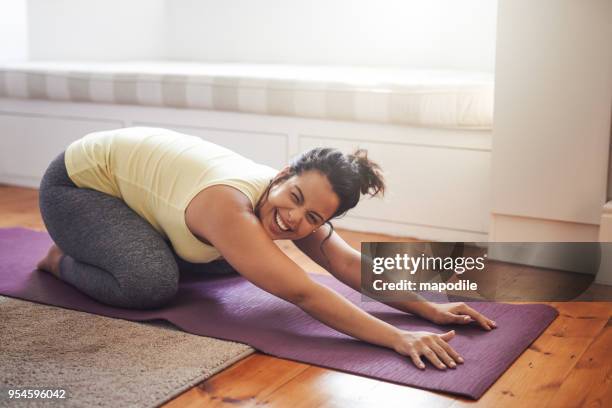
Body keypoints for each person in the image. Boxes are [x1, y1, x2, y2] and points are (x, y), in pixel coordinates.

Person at [36, 127, 496, 371]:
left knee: (244, 261)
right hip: (78, 187)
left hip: (147, 205)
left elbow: (345, 262)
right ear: (280, 175)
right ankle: (62, 259)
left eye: (314, 218)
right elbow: (303, 293)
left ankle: (138, 247)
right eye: (294, 198)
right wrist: (397, 338)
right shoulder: (227, 204)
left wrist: (427, 310)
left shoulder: (297, 205)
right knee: (148, 283)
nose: (295, 219)